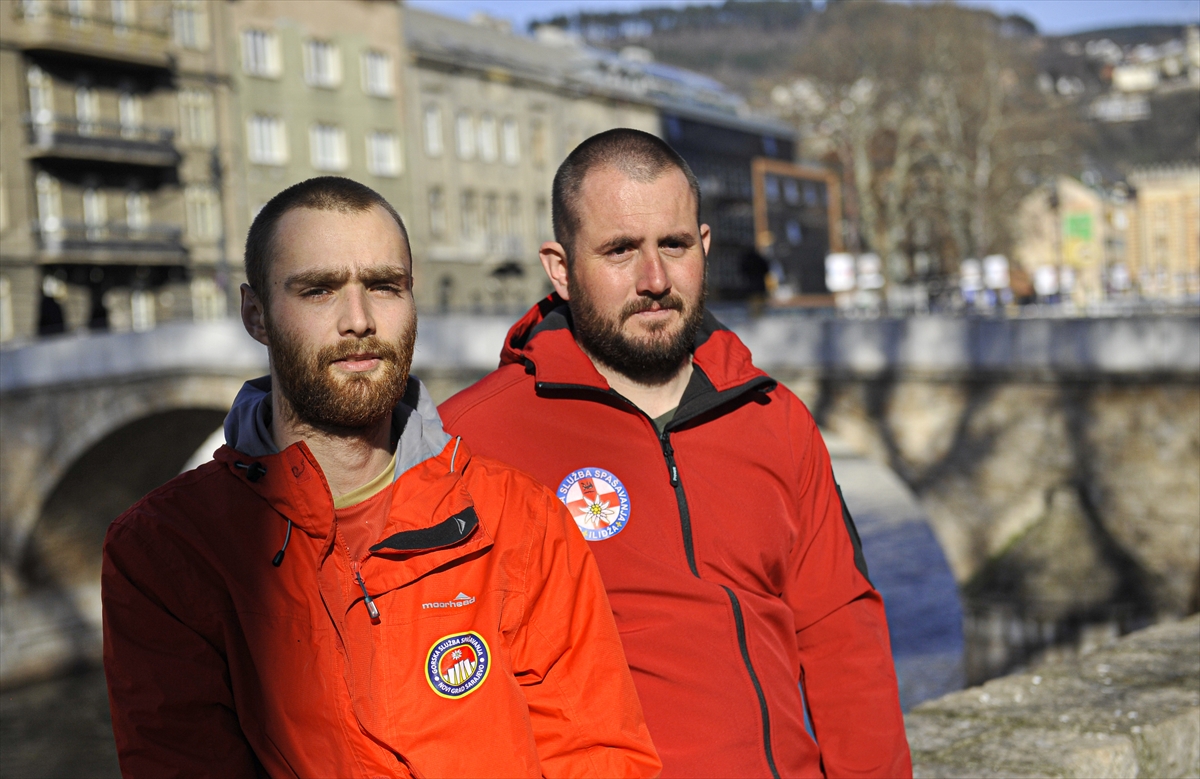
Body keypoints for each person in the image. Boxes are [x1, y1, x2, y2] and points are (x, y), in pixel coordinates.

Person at [101, 177, 661, 779]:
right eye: (318, 290)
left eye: (385, 286)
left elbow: (598, 756)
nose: (360, 320)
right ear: (256, 314)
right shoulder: (169, 550)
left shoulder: (518, 519)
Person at [440, 130, 911, 778]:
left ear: (705, 247)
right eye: (620, 250)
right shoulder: (472, 440)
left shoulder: (773, 419)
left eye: (674, 244)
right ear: (560, 267)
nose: (654, 278)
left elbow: (842, 638)